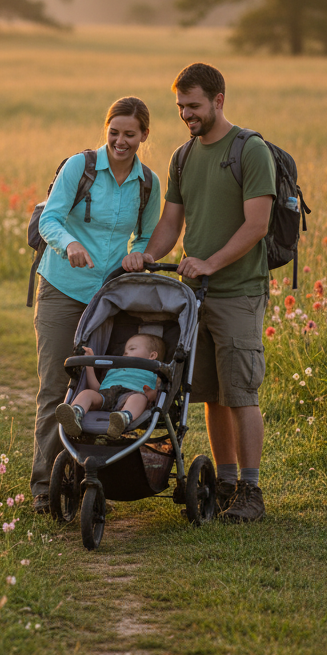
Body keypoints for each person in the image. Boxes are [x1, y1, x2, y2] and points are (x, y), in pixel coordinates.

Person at [122, 63, 275, 523]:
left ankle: (251, 491)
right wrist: (145, 255)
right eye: (180, 107)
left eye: (194, 106)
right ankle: (225, 482)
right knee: (208, 392)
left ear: (218, 100)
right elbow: (172, 223)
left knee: (241, 392)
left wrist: (210, 262)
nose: (186, 114)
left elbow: (257, 224)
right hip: (194, 296)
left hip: (238, 291)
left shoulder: (250, 151)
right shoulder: (184, 156)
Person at [31, 96, 161, 512]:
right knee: (58, 386)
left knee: (100, 387)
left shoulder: (148, 183)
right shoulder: (80, 167)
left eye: (130, 134)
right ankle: (43, 486)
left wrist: (136, 255)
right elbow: (50, 218)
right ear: (106, 130)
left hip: (108, 300)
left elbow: (145, 235)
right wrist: (68, 244)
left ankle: (88, 480)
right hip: (62, 288)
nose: (120, 141)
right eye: (114, 132)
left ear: (143, 135)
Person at [55, 331, 162, 440]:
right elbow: (97, 389)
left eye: (132, 349)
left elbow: (158, 392)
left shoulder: (154, 373)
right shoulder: (114, 369)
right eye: (124, 351)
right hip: (106, 396)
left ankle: (122, 418)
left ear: (152, 355)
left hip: (131, 396)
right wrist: (89, 365)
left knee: (139, 398)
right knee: (87, 393)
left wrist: (151, 393)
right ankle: (75, 414)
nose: (125, 353)